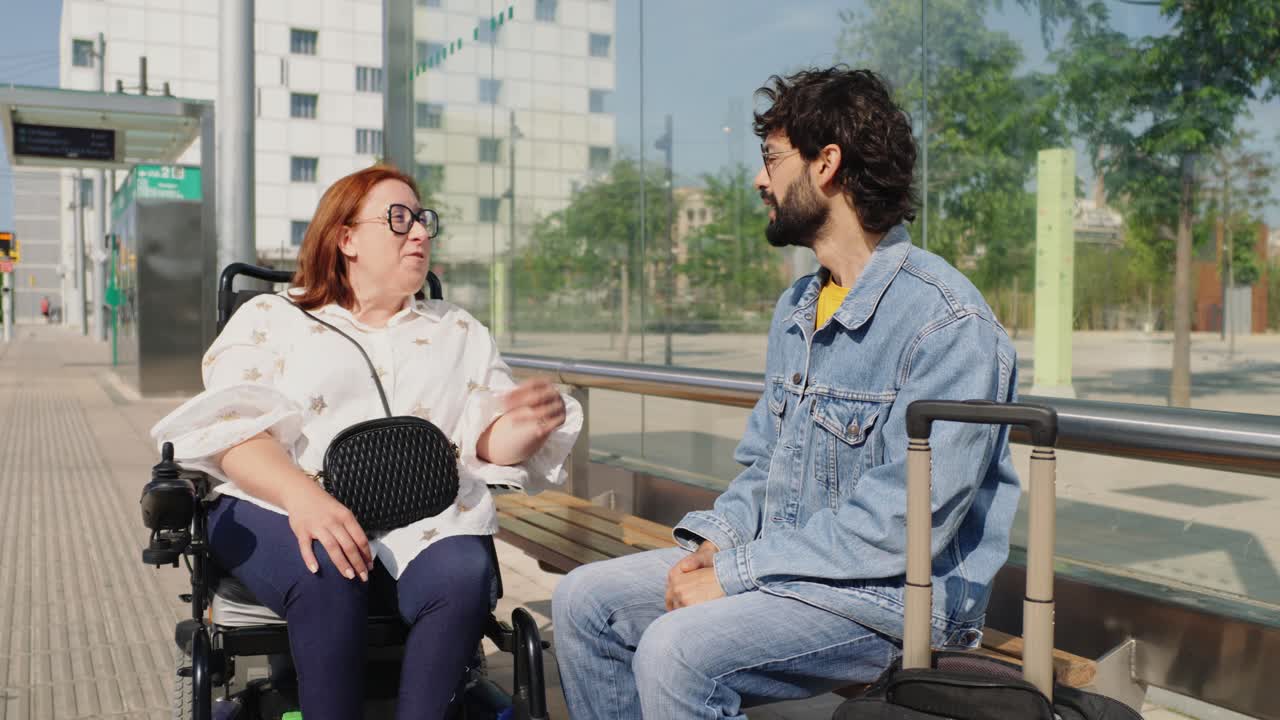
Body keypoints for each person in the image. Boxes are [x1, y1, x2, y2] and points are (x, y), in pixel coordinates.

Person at [551, 66, 1021, 719]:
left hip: (894, 599)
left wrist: (738, 575)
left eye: (772, 159)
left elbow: (899, 528)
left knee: (676, 652)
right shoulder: (800, 305)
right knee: (584, 601)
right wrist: (718, 542)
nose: (759, 179)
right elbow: (767, 468)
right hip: (792, 572)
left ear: (827, 164)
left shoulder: (948, 325)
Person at [151, 165, 582, 720]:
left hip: (423, 510)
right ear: (346, 237)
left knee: (464, 576)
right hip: (281, 500)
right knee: (325, 567)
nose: (421, 232)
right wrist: (307, 500)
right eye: (399, 219)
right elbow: (232, 432)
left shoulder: (458, 330)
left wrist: (527, 427)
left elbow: (487, 439)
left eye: (424, 219)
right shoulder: (272, 318)